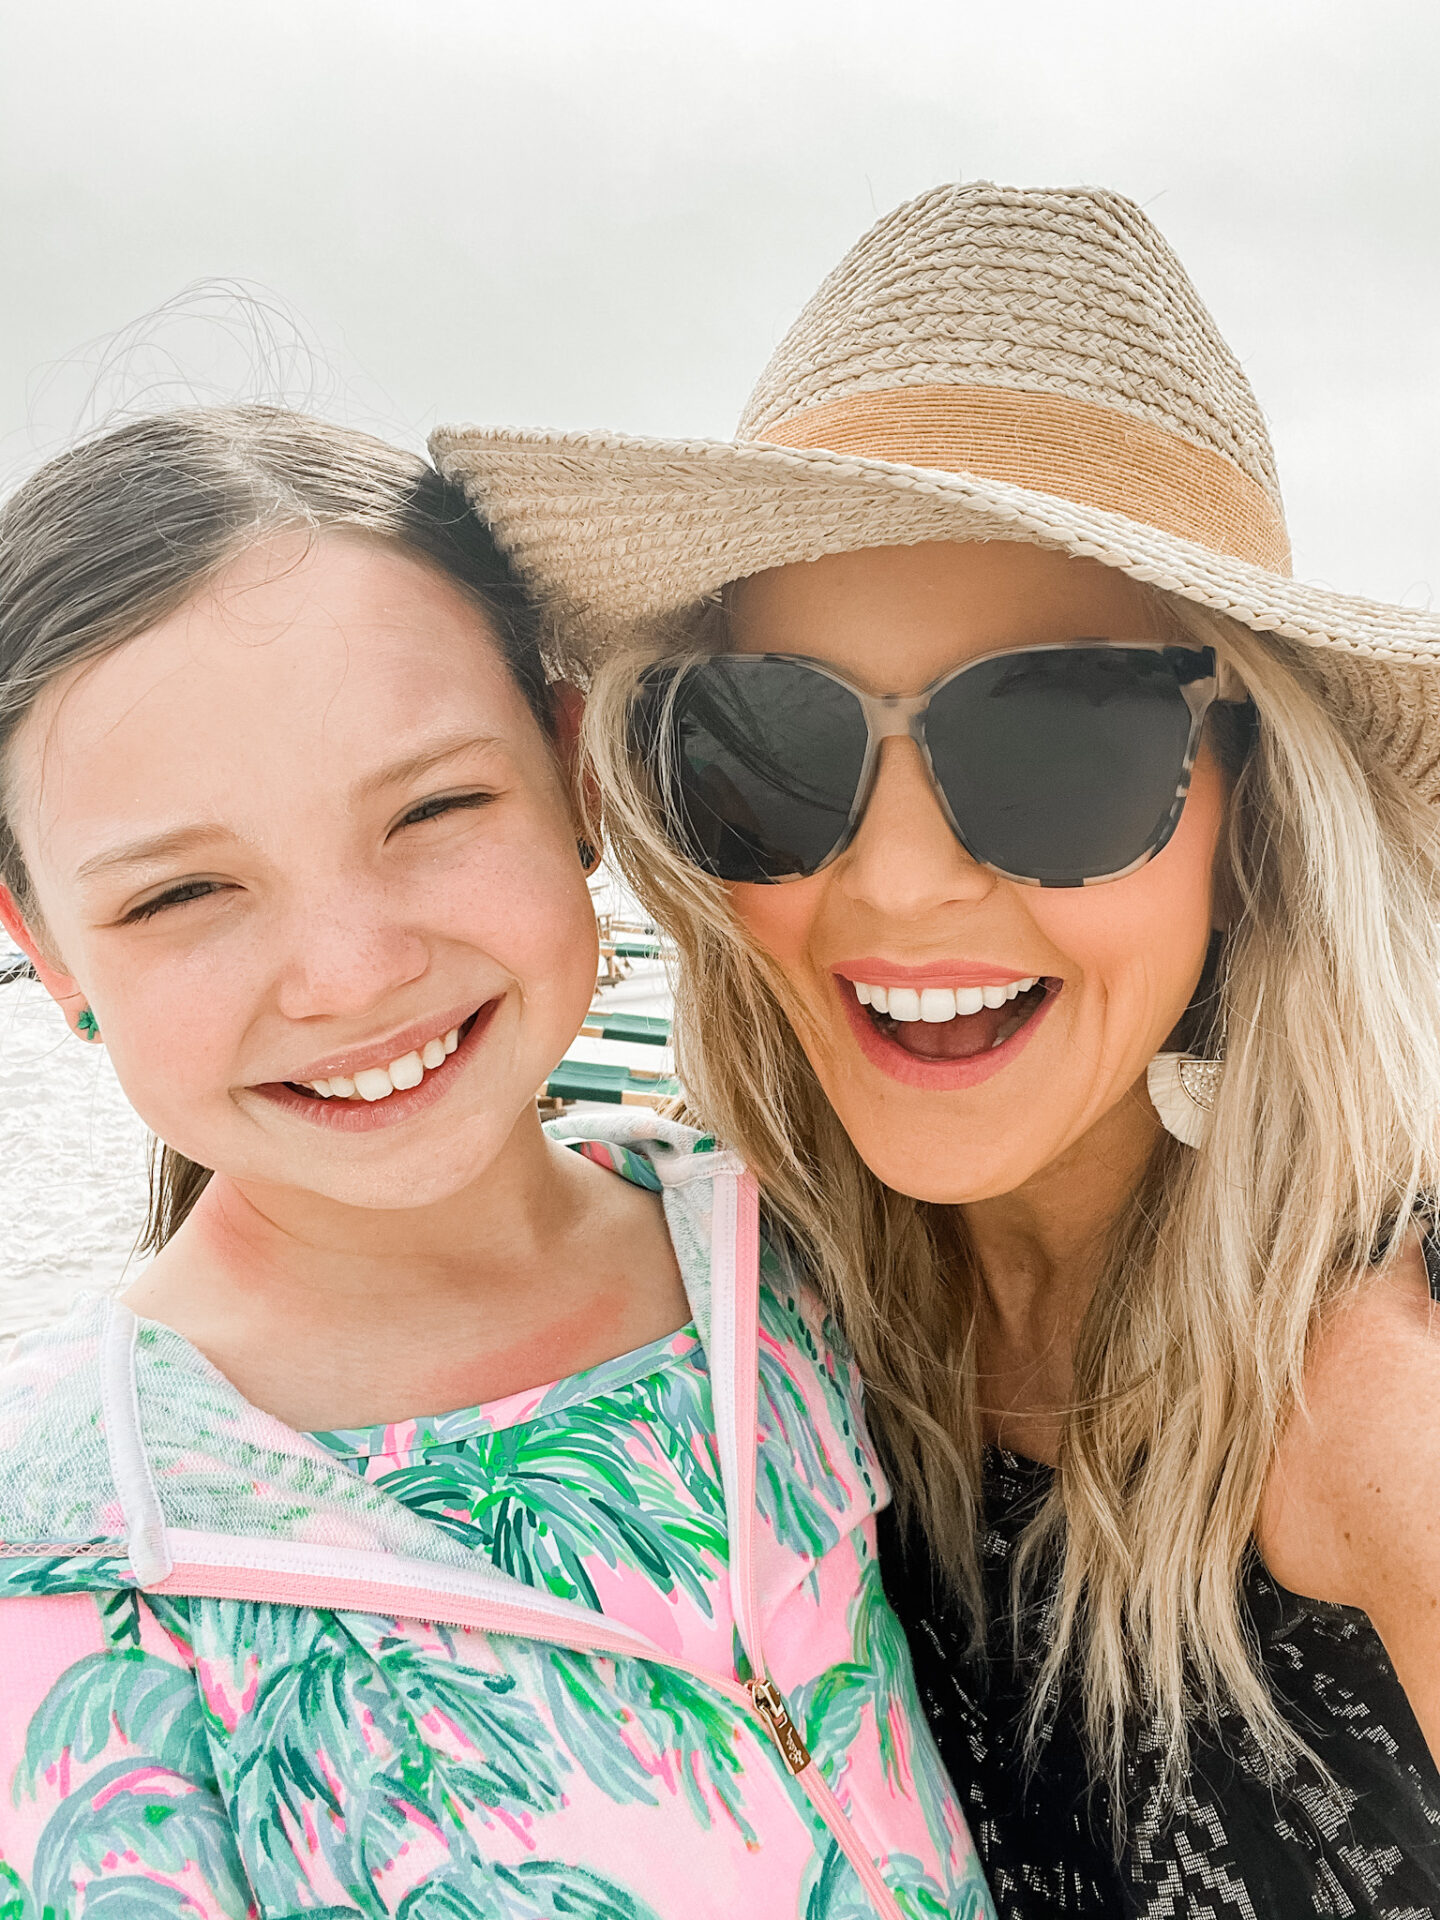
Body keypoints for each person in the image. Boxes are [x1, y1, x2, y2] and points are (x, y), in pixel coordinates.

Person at [434, 182, 1440, 1915]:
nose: (890, 883)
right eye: (771, 745)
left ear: (1252, 805)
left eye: (1059, 741)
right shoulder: (755, 1331)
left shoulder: (1387, 1393)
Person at [0, 407, 992, 1919]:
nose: (346, 973)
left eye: (435, 808)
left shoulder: (794, 1245)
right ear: (45, 949)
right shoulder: (69, 1559)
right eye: (186, 891)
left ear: (573, 769)